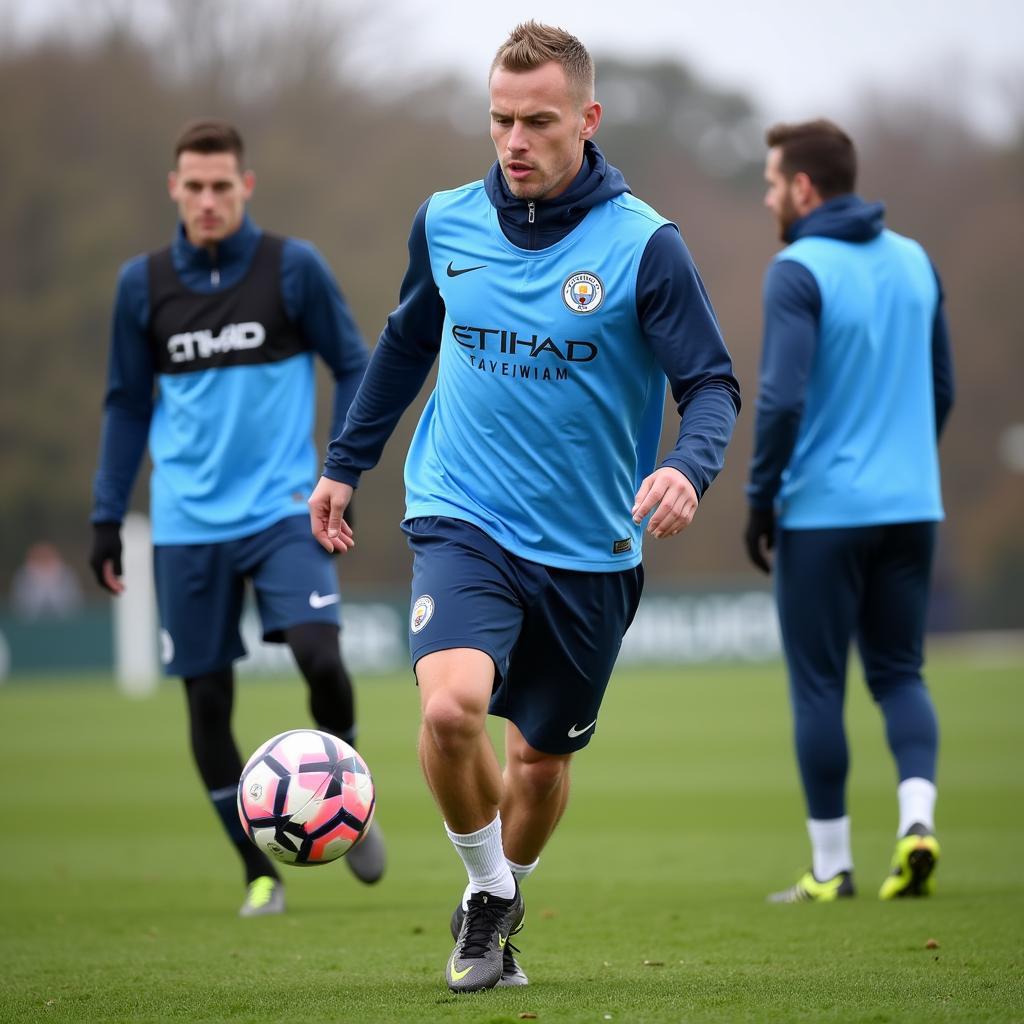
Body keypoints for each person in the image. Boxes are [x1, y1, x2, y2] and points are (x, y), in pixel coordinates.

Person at [309, 22, 740, 991]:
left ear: (585, 119)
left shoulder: (644, 245)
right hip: (461, 512)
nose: (513, 140)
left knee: (537, 765)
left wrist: (687, 467)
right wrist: (346, 460)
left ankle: (492, 903)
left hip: (591, 548)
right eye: (499, 119)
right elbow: (405, 342)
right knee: (451, 707)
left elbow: (710, 383)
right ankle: (487, 893)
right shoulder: (446, 221)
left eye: (537, 121)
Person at [89, 119, 385, 917]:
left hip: (285, 507)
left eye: (224, 185)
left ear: (245, 186)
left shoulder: (293, 269)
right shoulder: (140, 287)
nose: (210, 199)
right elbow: (124, 403)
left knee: (322, 657)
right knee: (207, 702)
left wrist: (340, 470)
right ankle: (260, 871)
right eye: (196, 186)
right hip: (186, 523)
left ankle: (349, 794)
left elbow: (355, 363)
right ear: (174, 189)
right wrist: (106, 514)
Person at [744, 119, 954, 903]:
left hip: (824, 513)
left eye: (772, 183)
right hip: (912, 506)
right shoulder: (917, 260)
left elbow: (781, 399)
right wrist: (904, 466)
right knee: (901, 672)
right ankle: (916, 823)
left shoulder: (797, 268)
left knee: (818, 689)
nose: (769, 196)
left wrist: (760, 498)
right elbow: (943, 390)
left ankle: (831, 868)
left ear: (803, 187)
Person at [10, 542, 84, 620]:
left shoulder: (66, 573)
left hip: (63, 622)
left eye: (46, 556)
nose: (44, 558)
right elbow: (18, 602)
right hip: (30, 622)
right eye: (40, 556)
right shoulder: (23, 574)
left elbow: (74, 600)